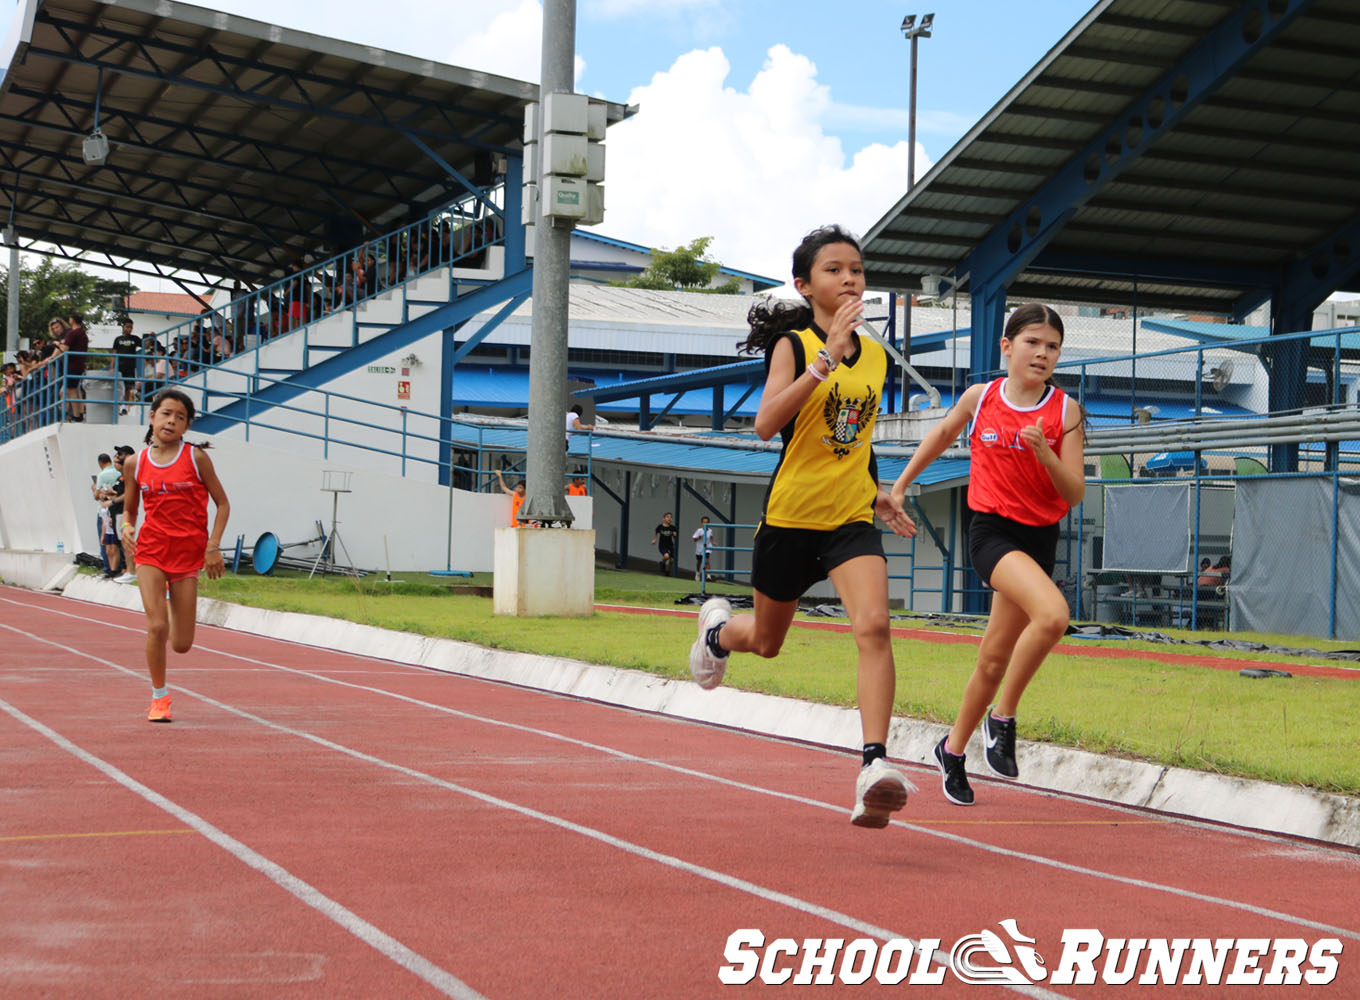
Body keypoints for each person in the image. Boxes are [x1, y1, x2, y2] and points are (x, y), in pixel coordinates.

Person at [686, 224, 919, 829]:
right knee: (767, 642)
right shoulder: (794, 345)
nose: (850, 279)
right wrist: (823, 361)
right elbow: (767, 424)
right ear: (804, 285)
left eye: (857, 270)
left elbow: (856, 438)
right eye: (834, 270)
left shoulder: (876, 356)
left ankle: (873, 764)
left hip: (849, 518)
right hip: (791, 518)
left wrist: (878, 492)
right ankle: (716, 634)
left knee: (874, 626)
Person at [891, 302, 1086, 807]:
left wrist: (1046, 454)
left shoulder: (1065, 411)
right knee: (1053, 616)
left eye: (1052, 347)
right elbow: (940, 435)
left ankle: (952, 750)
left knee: (994, 658)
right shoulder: (982, 398)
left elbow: (1074, 493)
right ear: (1007, 346)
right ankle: (1002, 719)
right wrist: (900, 486)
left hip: (1040, 539)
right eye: (1032, 342)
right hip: (993, 533)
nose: (1042, 353)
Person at [120, 388, 231, 723]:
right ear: (152, 417)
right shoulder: (135, 463)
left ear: (187, 426)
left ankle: (169, 598)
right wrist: (126, 526)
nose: (171, 421)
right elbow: (130, 509)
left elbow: (223, 504)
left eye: (180, 417)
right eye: (166, 414)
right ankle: (159, 698)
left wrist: (213, 546)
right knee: (157, 627)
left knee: (181, 643)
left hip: (187, 556)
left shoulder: (196, 458)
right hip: (151, 551)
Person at [111, 316, 142, 413]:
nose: (129, 329)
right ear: (123, 327)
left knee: (128, 387)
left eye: (131, 327)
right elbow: (114, 354)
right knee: (118, 386)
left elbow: (145, 344)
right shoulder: (118, 339)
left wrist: (151, 336)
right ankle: (116, 405)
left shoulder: (135, 338)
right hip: (120, 366)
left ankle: (124, 406)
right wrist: (112, 367)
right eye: (127, 327)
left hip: (130, 366)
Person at [652, 511, 678, 576]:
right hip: (662, 545)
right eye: (667, 517)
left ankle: (667, 572)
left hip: (670, 545)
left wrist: (675, 535)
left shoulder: (673, 528)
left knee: (671, 560)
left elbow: (675, 537)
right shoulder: (660, 526)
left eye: (671, 517)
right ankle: (662, 563)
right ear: (664, 518)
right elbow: (656, 531)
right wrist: (654, 539)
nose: (669, 518)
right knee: (666, 556)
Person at [691, 515, 715, 582]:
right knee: (699, 562)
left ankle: (708, 576)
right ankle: (697, 573)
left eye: (707, 522)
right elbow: (694, 539)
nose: (705, 524)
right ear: (701, 523)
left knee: (706, 561)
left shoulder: (710, 530)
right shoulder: (699, 530)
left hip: (707, 548)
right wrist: (699, 537)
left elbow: (711, 536)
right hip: (699, 549)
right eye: (704, 522)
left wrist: (713, 542)